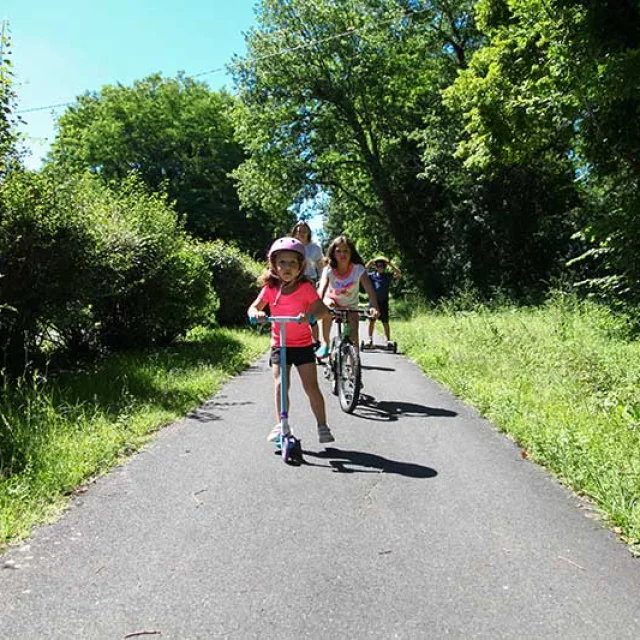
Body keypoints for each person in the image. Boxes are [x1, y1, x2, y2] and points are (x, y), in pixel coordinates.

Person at [248, 237, 335, 444]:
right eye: (282, 263)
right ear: (274, 266)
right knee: (280, 384)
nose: (287, 267)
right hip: (280, 344)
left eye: (292, 263)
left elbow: (322, 309)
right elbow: (254, 307)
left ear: (300, 266)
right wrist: (256, 314)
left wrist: (310, 316)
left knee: (311, 386)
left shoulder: (305, 288)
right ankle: (282, 424)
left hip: (303, 345)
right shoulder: (270, 288)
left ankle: (322, 425)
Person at [315, 235, 380, 359]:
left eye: (346, 251)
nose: (342, 254)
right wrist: (317, 305)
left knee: (353, 330)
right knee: (328, 308)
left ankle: (354, 360)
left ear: (351, 253)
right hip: (332, 299)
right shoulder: (329, 269)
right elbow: (322, 288)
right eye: (338, 251)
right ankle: (325, 344)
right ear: (333, 253)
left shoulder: (358, 269)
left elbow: (370, 289)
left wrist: (374, 307)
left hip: (350, 305)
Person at [291, 220, 324, 348]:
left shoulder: (315, 248)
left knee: (311, 314)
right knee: (295, 312)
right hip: (293, 281)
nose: (302, 233)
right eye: (299, 230)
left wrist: (322, 280)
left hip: (310, 281)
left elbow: (321, 265)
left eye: (304, 230)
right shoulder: (291, 246)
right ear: (295, 232)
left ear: (308, 232)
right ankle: (293, 343)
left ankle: (316, 342)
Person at [364, 255, 401, 348]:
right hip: (373, 301)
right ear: (376, 267)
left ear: (385, 267)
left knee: (385, 322)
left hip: (384, 302)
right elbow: (362, 272)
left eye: (383, 266)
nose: (381, 268)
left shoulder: (387, 276)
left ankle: (388, 339)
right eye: (379, 266)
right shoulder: (372, 276)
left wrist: (390, 264)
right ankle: (369, 339)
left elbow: (398, 272)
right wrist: (369, 263)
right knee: (372, 320)